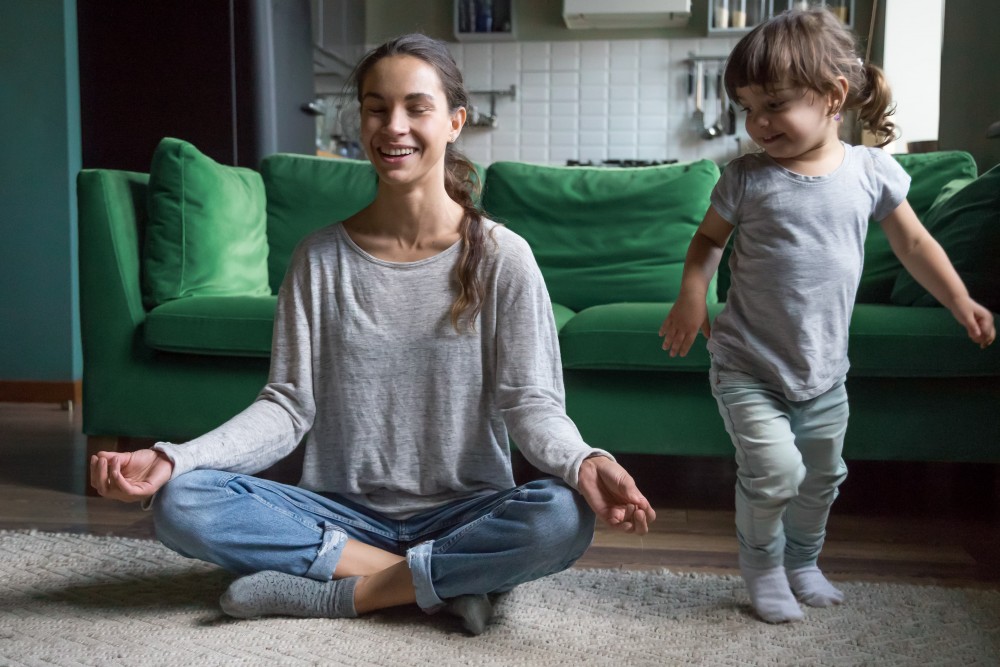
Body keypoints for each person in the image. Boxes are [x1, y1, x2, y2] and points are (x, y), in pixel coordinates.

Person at [90, 33, 655, 635]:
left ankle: (341, 594)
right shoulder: (318, 258)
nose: (394, 126)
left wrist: (583, 461)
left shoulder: (503, 257)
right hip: (337, 514)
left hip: (464, 511)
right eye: (375, 107)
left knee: (563, 516)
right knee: (182, 502)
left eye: (416, 106)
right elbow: (286, 407)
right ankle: (440, 583)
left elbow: (530, 404)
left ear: (455, 121)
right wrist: (174, 459)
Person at [658, 8, 995, 624]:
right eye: (746, 108)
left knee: (822, 477)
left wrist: (959, 298)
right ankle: (762, 567)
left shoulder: (871, 173)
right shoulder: (745, 179)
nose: (758, 123)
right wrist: (692, 294)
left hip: (823, 370)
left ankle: (803, 562)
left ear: (834, 95)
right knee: (776, 472)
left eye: (774, 105)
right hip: (747, 364)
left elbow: (915, 245)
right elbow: (706, 243)